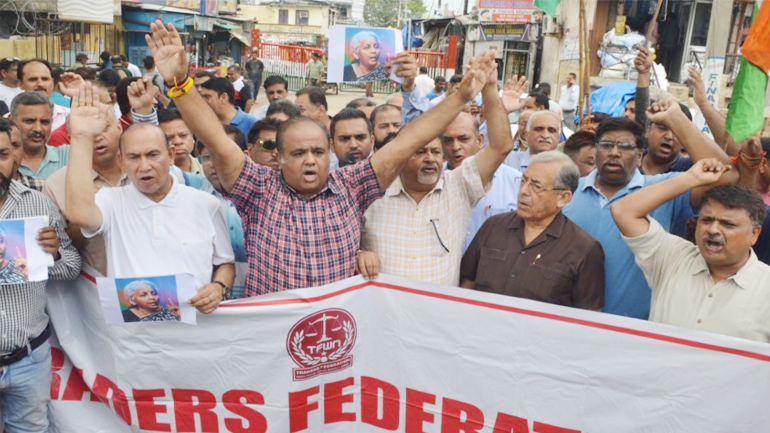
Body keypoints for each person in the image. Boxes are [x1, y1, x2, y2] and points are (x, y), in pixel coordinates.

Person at [143, 18, 494, 295]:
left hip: (334, 343)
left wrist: (461, 96)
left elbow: (410, 138)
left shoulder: (352, 185)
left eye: (318, 151)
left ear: (330, 153)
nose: (310, 160)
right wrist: (180, 82)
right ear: (278, 158)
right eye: (298, 153)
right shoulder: (258, 188)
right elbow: (215, 139)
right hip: (270, 337)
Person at [65, 82, 235, 314]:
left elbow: (225, 262)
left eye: (153, 155)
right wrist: (82, 137)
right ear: (121, 161)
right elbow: (79, 214)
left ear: (171, 155)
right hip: (135, 342)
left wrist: (218, 287)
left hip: (197, 337)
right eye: (134, 157)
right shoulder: (111, 201)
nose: (144, 166)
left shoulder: (205, 204)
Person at [563, 113, 736, 320]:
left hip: (636, 327)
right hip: (569, 320)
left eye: (625, 147)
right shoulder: (567, 191)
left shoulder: (663, 189)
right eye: (606, 145)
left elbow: (727, 176)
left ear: (639, 156)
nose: (614, 153)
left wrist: (676, 118)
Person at [359, 51, 510, 285]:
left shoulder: (458, 186)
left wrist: (490, 87)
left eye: (437, 152)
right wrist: (358, 255)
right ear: (400, 157)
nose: (430, 159)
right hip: (383, 317)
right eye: (420, 152)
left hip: (435, 318)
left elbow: (500, 147)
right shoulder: (370, 193)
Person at [612, 161, 770, 342]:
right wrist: (690, 178)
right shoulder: (673, 257)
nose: (713, 230)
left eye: (728, 224)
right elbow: (623, 210)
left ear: (754, 234)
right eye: (707, 220)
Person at [0, 120, 81, 433]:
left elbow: (72, 267)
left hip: (28, 359)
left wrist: (54, 252)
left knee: (31, 428)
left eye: (3, 154)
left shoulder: (36, 204)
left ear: (15, 156)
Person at [461, 151, 604, 309]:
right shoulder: (494, 226)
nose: (523, 191)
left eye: (536, 186)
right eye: (523, 181)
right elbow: (467, 282)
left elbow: (587, 315)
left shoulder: (583, 249)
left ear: (563, 198)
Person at [43, 83, 126, 276]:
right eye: (88, 132)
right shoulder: (57, 183)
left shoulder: (143, 172)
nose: (96, 137)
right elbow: (63, 253)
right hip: (89, 291)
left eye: (104, 128)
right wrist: (83, 215)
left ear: (119, 127)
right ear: (72, 138)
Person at [440, 109, 523, 252]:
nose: (455, 147)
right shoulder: (432, 182)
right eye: (448, 140)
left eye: (463, 139)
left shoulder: (514, 180)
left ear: (480, 140)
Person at [185, 126, 248, 299]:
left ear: (246, 156)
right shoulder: (192, 187)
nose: (213, 164)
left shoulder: (264, 193)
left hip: (258, 294)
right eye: (207, 157)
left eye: (223, 156)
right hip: (209, 299)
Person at [10, 92, 70, 179]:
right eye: (29, 121)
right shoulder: (4, 161)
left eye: (44, 122)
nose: (38, 129)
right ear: (11, 121)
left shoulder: (67, 155)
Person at [639, 101, 695, 175]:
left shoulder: (690, 170)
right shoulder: (628, 162)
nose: (669, 137)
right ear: (648, 131)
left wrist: (704, 104)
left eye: (677, 131)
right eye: (663, 128)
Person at [17, 59, 71, 129]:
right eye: (33, 79)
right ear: (20, 84)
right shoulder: (9, 120)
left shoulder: (68, 117)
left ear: (52, 82)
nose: (40, 84)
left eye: (45, 79)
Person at [0, 119, 46, 191]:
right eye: (2, 151)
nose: (12, 154)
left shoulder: (42, 187)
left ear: (23, 148)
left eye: (15, 145)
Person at [158, 108, 204, 175]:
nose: (178, 142)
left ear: (192, 136)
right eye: (169, 138)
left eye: (183, 135)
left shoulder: (207, 170)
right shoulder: (152, 175)